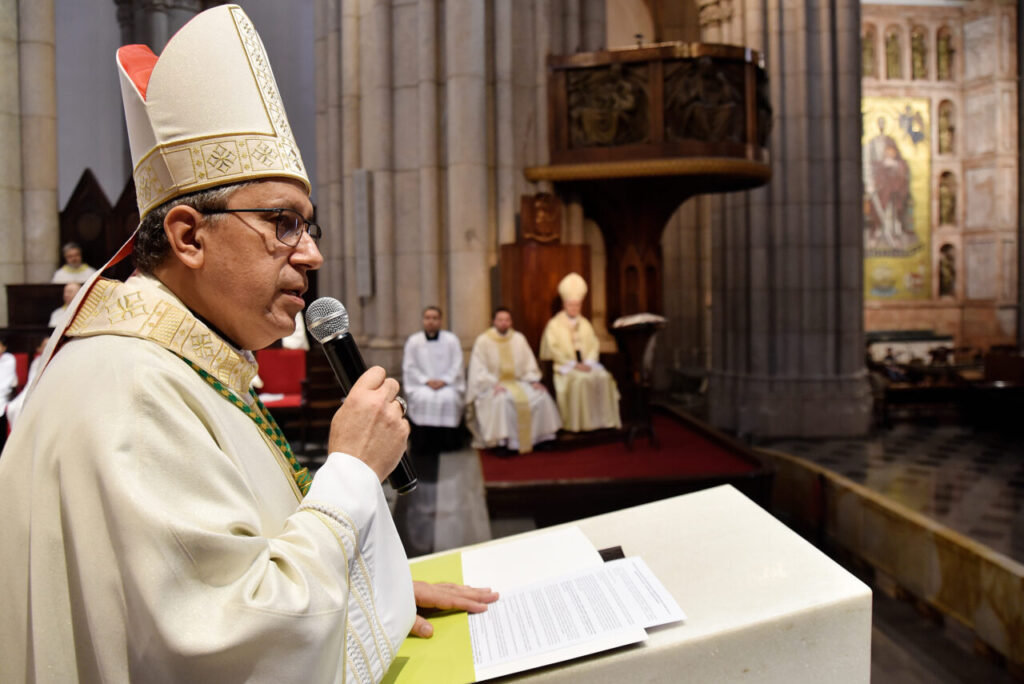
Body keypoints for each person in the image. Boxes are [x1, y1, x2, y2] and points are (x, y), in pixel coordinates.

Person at [0, 7, 494, 682]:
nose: (312, 253)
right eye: (283, 223)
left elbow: (233, 565)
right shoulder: (132, 392)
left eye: (310, 225)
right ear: (187, 236)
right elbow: (235, 648)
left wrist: (370, 594)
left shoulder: (178, 363)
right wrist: (348, 471)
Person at [466, 307, 561, 453]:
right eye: (500, 320)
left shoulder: (518, 338)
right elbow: (478, 370)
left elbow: (529, 364)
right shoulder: (483, 341)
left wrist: (533, 380)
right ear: (493, 321)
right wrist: (493, 384)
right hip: (493, 385)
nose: (504, 323)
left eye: (507, 320)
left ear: (511, 322)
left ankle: (542, 439)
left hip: (519, 382)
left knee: (542, 396)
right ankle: (503, 442)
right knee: (501, 400)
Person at [540, 273, 622, 432]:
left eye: (577, 305)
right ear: (564, 305)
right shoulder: (554, 325)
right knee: (581, 381)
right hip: (566, 368)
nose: (574, 309)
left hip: (586, 365)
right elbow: (553, 349)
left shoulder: (585, 324)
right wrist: (574, 365)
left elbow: (593, 346)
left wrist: (588, 362)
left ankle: (604, 421)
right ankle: (581, 425)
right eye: (571, 305)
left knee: (604, 377)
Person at [402, 306, 466, 435]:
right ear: (423, 320)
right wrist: (426, 381)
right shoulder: (414, 341)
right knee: (423, 397)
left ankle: (448, 442)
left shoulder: (451, 340)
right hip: (422, 385)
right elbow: (409, 366)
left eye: (435, 318)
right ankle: (423, 439)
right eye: (427, 318)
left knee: (449, 397)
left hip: (448, 385)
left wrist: (445, 380)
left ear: (440, 321)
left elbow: (457, 364)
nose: (431, 321)